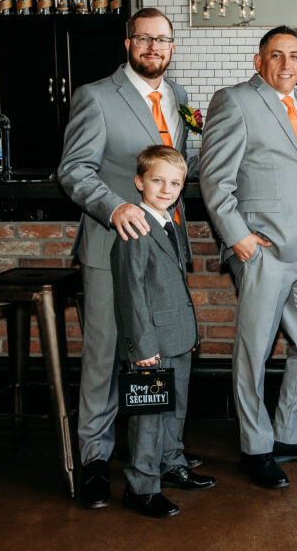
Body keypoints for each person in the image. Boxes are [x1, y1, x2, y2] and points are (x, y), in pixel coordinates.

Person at [59, 8, 201, 509]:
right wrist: (114, 205)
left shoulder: (179, 97)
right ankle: (95, 463)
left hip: (164, 248)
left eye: (162, 40)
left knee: (156, 353)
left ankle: (161, 459)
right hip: (108, 247)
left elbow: (186, 165)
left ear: (172, 48)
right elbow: (74, 170)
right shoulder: (96, 97)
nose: (154, 48)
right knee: (105, 356)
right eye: (144, 39)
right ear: (128, 44)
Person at [199, 26, 297, 489]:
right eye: (277, 55)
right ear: (259, 61)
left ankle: (289, 434)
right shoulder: (235, 101)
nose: (287, 64)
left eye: (295, 56)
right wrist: (237, 237)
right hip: (261, 246)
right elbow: (213, 178)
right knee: (255, 350)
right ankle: (255, 447)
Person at [111, 145, 214, 518]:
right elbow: (130, 291)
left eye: (175, 183)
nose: (167, 189)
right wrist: (141, 346)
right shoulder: (135, 227)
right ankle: (141, 486)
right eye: (157, 181)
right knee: (149, 417)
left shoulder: (170, 221)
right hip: (150, 342)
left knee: (176, 408)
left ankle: (171, 466)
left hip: (176, 336)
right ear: (139, 182)